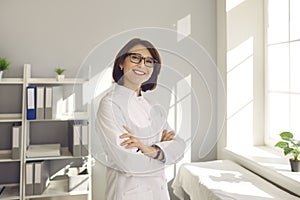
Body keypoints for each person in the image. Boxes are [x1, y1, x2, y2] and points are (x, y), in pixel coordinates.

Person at [96, 38, 185, 200]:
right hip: (128, 193)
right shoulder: (110, 104)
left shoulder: (152, 105)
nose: (142, 65)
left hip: (159, 192)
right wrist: (163, 152)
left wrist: (149, 149)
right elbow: (130, 162)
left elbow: (179, 147)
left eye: (149, 61)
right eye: (135, 58)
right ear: (121, 63)